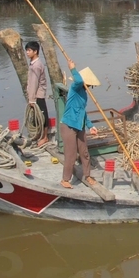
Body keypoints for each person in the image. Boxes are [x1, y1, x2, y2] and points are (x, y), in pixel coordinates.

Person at [60, 59, 99, 188]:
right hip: (69, 125)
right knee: (71, 154)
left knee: (84, 152)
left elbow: (83, 112)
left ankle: (87, 175)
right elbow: (78, 80)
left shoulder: (83, 94)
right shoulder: (75, 88)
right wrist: (72, 68)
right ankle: (65, 179)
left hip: (79, 124)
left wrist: (90, 126)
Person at [25, 41, 49, 146]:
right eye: (27, 50)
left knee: (42, 116)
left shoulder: (36, 66)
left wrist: (31, 99)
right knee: (37, 116)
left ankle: (45, 137)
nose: (27, 52)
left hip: (38, 94)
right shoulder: (33, 64)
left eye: (29, 50)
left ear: (35, 51)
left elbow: (34, 83)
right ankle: (40, 135)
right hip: (36, 94)